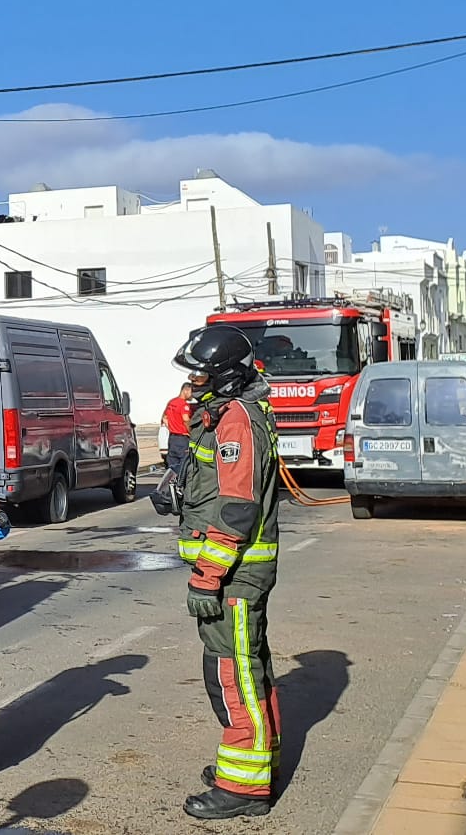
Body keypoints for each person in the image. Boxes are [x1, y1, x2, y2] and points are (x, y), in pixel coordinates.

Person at [172, 326, 281, 821]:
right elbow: (217, 484)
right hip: (237, 572)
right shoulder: (233, 412)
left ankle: (245, 789)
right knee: (249, 669)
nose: (193, 383)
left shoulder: (236, 418)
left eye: (201, 374)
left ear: (225, 376)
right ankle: (251, 764)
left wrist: (208, 576)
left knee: (232, 676)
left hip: (234, 575)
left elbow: (237, 508)